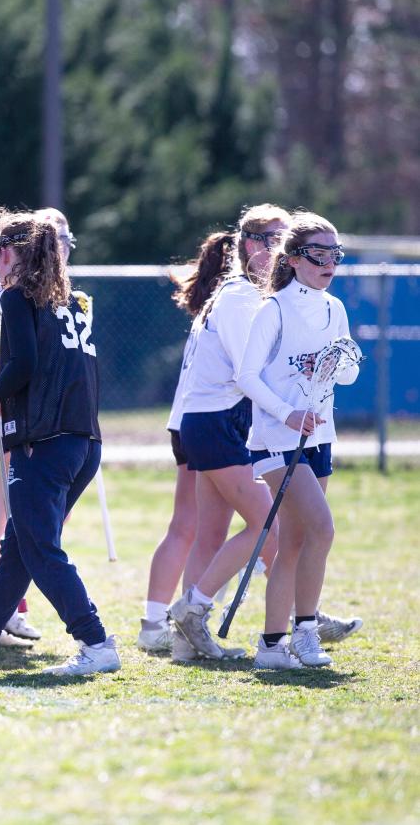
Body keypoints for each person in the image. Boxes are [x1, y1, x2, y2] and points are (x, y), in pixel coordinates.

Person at [0, 209, 118, 676]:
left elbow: (23, 365)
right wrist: (12, 400)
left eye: (0, 248)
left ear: (12, 252)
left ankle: (95, 641)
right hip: (83, 440)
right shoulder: (70, 301)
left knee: (39, 548)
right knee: (20, 544)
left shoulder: (16, 296)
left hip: (44, 441)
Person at [166, 204, 290, 663]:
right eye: (278, 240)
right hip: (216, 422)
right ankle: (193, 609)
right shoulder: (240, 297)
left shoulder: (244, 293)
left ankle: (185, 643)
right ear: (253, 245)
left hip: (213, 421)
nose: (286, 251)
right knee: (270, 527)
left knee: (211, 534)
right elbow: (248, 371)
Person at [235, 213, 360, 669]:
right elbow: (246, 376)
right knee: (322, 528)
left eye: (335, 254)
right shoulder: (274, 309)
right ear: (292, 259)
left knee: (293, 542)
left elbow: (349, 371)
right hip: (275, 439)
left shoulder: (335, 308)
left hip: (319, 434)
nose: (330, 263)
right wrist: (287, 412)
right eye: (319, 254)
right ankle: (305, 630)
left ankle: (270, 646)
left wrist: (335, 365)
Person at [136, 231, 236, 653]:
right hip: (206, 422)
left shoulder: (213, 307)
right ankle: (169, 618)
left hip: (186, 422)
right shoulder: (234, 306)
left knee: (188, 527)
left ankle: (156, 620)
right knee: (251, 522)